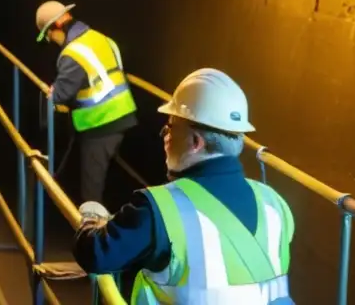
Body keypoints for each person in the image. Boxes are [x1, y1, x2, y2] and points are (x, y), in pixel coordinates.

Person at [72, 68, 295, 305]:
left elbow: (95, 253)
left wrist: (90, 219)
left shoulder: (160, 209)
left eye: (170, 128)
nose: (165, 137)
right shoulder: (274, 203)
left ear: (196, 142)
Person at [36, 0, 137, 205]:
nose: (52, 42)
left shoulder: (73, 53)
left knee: (91, 193)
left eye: (49, 37)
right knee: (103, 179)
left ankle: (94, 232)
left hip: (101, 123)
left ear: (56, 27)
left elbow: (60, 95)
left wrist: (50, 97)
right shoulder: (101, 38)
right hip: (123, 114)